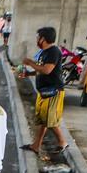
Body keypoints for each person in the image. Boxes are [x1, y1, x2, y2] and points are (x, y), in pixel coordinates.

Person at [20, 26, 68, 157]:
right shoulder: (43, 53)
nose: (36, 39)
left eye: (37, 37)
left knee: (49, 120)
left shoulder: (54, 52)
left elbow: (47, 70)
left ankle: (63, 142)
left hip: (53, 91)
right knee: (43, 119)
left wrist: (30, 62)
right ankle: (36, 145)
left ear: (43, 38)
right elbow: (41, 69)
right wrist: (29, 73)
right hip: (44, 91)